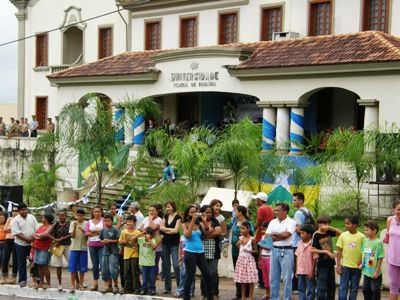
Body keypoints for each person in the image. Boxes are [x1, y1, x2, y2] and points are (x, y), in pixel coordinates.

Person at [182, 204, 213, 300]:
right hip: (190, 253)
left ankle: (210, 298)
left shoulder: (199, 224)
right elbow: (187, 235)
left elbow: (207, 234)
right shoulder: (185, 224)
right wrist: (192, 221)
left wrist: (204, 221)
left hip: (200, 253)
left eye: (195, 212)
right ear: (188, 214)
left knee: (207, 275)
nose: (194, 214)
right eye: (191, 212)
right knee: (190, 277)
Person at [266, 202, 296, 300]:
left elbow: (286, 235)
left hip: (287, 251)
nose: (276, 212)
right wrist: (280, 236)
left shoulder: (291, 222)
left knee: (287, 279)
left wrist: (274, 235)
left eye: (278, 210)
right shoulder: (272, 222)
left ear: (285, 211)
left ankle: (287, 298)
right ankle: (274, 298)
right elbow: (267, 237)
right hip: (274, 250)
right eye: (275, 210)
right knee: (273, 278)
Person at [311, 215, 342, 300]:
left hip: (330, 263)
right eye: (324, 223)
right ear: (319, 224)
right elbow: (312, 249)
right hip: (322, 264)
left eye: (328, 223)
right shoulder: (316, 235)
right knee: (321, 287)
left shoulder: (328, 232)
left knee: (331, 286)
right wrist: (326, 251)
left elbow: (342, 234)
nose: (326, 225)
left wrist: (331, 227)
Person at [336, 215, 366, 300]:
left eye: (348, 224)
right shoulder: (343, 235)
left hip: (357, 268)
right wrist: (338, 265)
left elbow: (365, 251)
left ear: (355, 225)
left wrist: (362, 261)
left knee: (354, 288)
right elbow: (339, 251)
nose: (346, 225)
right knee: (343, 288)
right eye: (345, 223)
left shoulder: (362, 237)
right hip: (345, 267)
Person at [11, 203, 39, 287]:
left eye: (25, 209)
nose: (24, 211)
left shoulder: (32, 217)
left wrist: (32, 239)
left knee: (34, 262)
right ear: (19, 211)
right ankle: (22, 280)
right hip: (20, 245)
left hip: (32, 244)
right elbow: (17, 233)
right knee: (21, 262)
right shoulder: (15, 220)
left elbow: (37, 229)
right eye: (22, 210)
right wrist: (28, 239)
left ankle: (36, 280)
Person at [231, 205, 254, 300]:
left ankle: (248, 294)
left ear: (240, 212)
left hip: (246, 252)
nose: (234, 213)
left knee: (247, 273)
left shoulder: (248, 223)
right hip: (235, 250)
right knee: (238, 272)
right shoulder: (235, 222)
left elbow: (252, 233)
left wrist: (241, 236)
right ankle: (239, 294)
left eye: (235, 211)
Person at [292, 192, 313, 293]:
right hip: (307, 242)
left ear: (300, 201)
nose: (293, 202)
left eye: (295, 200)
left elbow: (298, 229)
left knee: (297, 265)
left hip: (297, 243)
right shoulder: (308, 211)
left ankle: (296, 287)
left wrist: (293, 228)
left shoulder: (298, 213)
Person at [200, 205, 221, 299]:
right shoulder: (199, 222)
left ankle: (214, 293)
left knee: (213, 273)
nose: (208, 214)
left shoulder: (215, 221)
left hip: (214, 250)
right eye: (206, 212)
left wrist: (207, 235)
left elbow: (218, 232)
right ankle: (203, 293)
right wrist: (210, 231)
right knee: (204, 272)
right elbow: (200, 234)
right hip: (201, 250)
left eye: (210, 212)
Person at [160, 200, 181, 294]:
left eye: (169, 206)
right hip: (165, 243)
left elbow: (176, 231)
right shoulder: (165, 216)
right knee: (166, 266)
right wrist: (170, 230)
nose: (167, 208)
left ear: (173, 207)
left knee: (176, 265)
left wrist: (166, 230)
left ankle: (180, 287)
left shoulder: (178, 217)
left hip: (174, 244)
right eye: (166, 207)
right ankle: (167, 287)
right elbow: (161, 228)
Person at [234, 220, 258, 300]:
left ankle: (250, 297)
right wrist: (238, 244)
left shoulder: (252, 239)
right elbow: (239, 249)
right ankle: (243, 296)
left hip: (249, 260)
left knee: (250, 280)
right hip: (241, 260)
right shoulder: (240, 238)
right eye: (241, 228)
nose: (241, 230)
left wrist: (249, 251)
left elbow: (256, 250)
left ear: (248, 229)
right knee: (242, 280)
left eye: (243, 228)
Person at [119, 215, 143, 294]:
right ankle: (127, 288)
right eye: (127, 221)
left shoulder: (138, 232)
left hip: (134, 255)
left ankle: (136, 288)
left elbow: (141, 243)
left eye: (131, 221)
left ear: (135, 223)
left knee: (134, 272)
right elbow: (120, 242)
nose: (129, 223)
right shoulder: (123, 232)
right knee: (126, 272)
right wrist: (124, 241)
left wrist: (137, 243)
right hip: (126, 255)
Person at [361, 220, 384, 300]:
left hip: (375, 273)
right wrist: (362, 264)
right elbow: (364, 254)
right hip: (366, 272)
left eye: (367, 230)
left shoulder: (378, 243)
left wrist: (376, 271)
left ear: (374, 230)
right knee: (365, 290)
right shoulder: (365, 241)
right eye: (365, 230)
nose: (365, 232)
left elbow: (380, 257)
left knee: (375, 290)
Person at [295, 224, 318, 300]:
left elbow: (314, 259)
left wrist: (312, 271)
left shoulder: (313, 245)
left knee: (310, 289)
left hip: (309, 271)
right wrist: (296, 270)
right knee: (301, 288)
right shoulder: (299, 244)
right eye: (300, 233)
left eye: (303, 233)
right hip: (300, 271)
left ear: (309, 235)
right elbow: (297, 257)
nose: (301, 235)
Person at [84, 206, 104, 291]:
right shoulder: (89, 222)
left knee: (103, 265)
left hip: (102, 245)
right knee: (95, 265)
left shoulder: (104, 220)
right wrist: (97, 233)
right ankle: (95, 283)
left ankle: (106, 284)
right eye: (95, 211)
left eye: (99, 211)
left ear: (101, 212)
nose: (97, 213)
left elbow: (104, 231)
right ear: (92, 212)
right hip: (92, 245)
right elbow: (86, 233)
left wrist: (92, 232)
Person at [383, 200, 400, 300]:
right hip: (393, 259)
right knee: (393, 286)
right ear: (394, 210)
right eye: (398, 209)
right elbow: (387, 238)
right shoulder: (390, 220)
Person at [99, 213, 120, 294]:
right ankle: (109, 286)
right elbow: (101, 239)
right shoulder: (103, 230)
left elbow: (119, 240)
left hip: (113, 252)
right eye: (105, 221)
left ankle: (116, 286)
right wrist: (103, 241)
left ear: (112, 222)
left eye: (108, 221)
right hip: (105, 252)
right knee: (105, 270)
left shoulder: (115, 230)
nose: (106, 223)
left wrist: (109, 241)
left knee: (113, 269)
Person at [32, 213, 54, 289]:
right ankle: (41, 282)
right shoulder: (41, 226)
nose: (42, 219)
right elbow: (34, 234)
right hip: (37, 247)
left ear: (46, 219)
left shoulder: (51, 227)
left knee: (45, 266)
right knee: (39, 266)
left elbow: (45, 235)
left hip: (45, 248)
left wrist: (39, 236)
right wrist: (39, 236)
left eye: (43, 217)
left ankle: (48, 283)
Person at [50, 210, 71, 291]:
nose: (61, 217)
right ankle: (59, 284)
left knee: (72, 264)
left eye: (63, 215)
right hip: (58, 246)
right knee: (58, 265)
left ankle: (78, 282)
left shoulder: (69, 224)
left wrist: (61, 239)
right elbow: (50, 233)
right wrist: (55, 240)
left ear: (66, 216)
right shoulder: (55, 224)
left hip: (66, 246)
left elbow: (71, 234)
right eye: (60, 215)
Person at [141, 205, 163, 280]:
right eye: (150, 211)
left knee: (154, 263)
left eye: (153, 211)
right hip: (146, 244)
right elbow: (141, 228)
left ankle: (153, 280)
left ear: (157, 211)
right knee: (146, 263)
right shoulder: (145, 218)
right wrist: (144, 229)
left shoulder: (159, 220)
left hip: (155, 242)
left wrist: (150, 219)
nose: (151, 212)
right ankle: (147, 280)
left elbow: (152, 228)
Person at [68, 208, 88, 292]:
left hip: (83, 248)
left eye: (81, 215)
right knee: (73, 269)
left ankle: (81, 284)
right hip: (74, 248)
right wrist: (76, 227)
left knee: (82, 269)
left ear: (84, 216)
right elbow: (72, 236)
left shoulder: (87, 223)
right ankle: (72, 285)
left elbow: (87, 236)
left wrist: (82, 229)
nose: (79, 217)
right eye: (78, 215)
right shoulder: (73, 223)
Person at [138, 227, 159, 295]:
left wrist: (149, 239)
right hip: (144, 263)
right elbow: (133, 239)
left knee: (151, 277)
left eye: (149, 234)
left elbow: (154, 247)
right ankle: (144, 289)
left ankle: (152, 289)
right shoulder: (141, 240)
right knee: (144, 278)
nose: (147, 235)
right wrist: (141, 233)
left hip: (151, 263)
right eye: (146, 234)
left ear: (151, 235)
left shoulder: (153, 240)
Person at [1, 207, 18, 284]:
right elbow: (5, 229)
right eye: (13, 211)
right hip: (7, 240)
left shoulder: (19, 219)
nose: (14, 212)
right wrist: (14, 230)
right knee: (5, 258)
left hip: (16, 240)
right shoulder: (9, 219)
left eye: (16, 211)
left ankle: (13, 277)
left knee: (15, 259)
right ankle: (4, 276)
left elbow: (19, 230)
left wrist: (10, 229)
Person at [258, 221, 272, 300]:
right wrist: (259, 259)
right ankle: (267, 294)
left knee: (271, 277)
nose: (263, 231)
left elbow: (268, 247)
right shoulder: (263, 237)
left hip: (270, 258)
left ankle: (272, 293)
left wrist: (262, 244)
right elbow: (260, 248)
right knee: (265, 277)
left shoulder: (271, 237)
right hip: (263, 258)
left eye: (265, 229)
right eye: (262, 229)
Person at [0, 213, 7, 278]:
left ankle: (3, 274)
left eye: (2, 218)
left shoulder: (6, 226)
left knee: (3, 258)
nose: (1, 219)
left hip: (4, 244)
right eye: (0, 218)